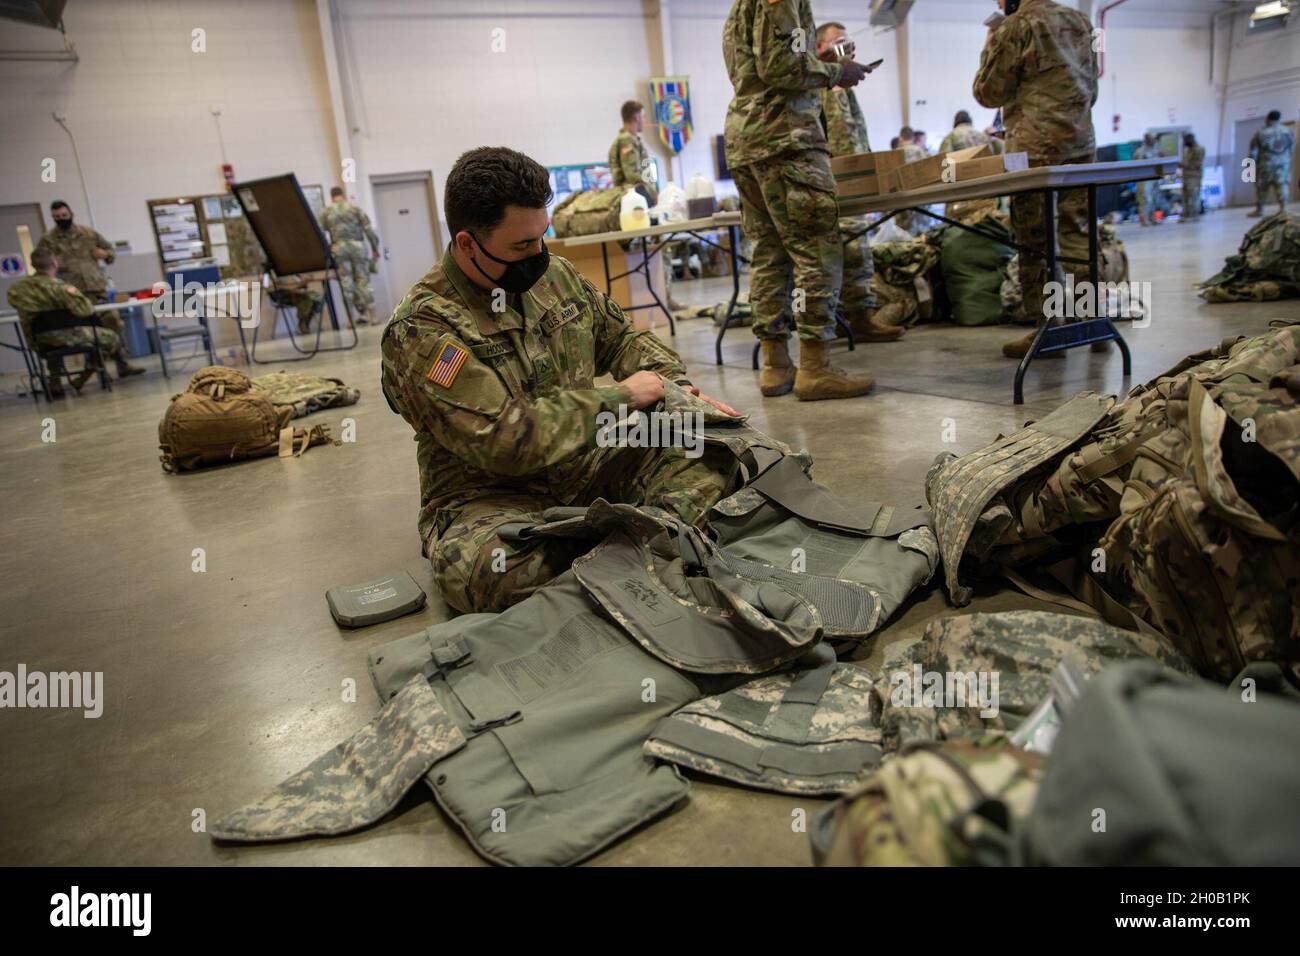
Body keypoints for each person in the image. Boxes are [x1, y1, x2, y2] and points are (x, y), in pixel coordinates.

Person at [380, 146, 740, 614]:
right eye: (521, 246)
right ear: (468, 244)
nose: (539, 254)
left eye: (542, 237)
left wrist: (674, 387)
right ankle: (646, 543)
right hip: (490, 497)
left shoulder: (556, 276)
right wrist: (623, 396)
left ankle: (612, 551)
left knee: (715, 457)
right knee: (497, 574)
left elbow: (621, 340)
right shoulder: (424, 329)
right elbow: (505, 439)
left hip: (588, 465)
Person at [723, 0, 874, 401]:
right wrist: (839, 71)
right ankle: (815, 367)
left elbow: (758, 68)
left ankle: (776, 365)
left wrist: (812, 57)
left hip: (746, 140)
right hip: (787, 138)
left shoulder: (739, 9)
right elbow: (782, 68)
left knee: (770, 253)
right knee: (816, 252)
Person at [974, 0, 1099, 359]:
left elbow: (987, 92)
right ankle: (1094, 321)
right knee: (1080, 232)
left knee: (1036, 240)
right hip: (1080, 143)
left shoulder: (1015, 25)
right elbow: (1093, 88)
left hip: (1033, 149)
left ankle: (1048, 328)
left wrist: (990, 43)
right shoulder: (1081, 21)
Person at [815, 20, 903, 344]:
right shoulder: (821, 90)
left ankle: (857, 316)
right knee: (849, 249)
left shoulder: (843, 90)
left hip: (854, 184)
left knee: (857, 250)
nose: (847, 45)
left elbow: (857, 141)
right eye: (838, 40)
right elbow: (841, 143)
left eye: (849, 39)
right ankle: (854, 319)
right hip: (834, 184)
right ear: (818, 49)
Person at [6, 248, 144, 397]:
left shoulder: (17, 289)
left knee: (52, 340)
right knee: (111, 338)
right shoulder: (62, 288)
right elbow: (86, 310)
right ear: (54, 263)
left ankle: (55, 382)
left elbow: (16, 303)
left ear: (34, 265)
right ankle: (84, 376)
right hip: (71, 335)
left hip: (39, 339)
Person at [33, 201, 118, 329]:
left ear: (71, 214)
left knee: (111, 323)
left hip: (96, 290)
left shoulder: (88, 234)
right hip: (70, 293)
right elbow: (39, 264)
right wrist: (53, 263)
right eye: (57, 217)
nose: (61, 219)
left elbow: (111, 252)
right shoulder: (48, 239)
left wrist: (105, 254)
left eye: (64, 215)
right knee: (82, 330)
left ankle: (116, 349)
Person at [319, 187, 381, 324]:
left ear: (331, 197)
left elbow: (320, 233)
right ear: (343, 195)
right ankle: (373, 316)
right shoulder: (354, 208)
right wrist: (375, 249)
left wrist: (327, 251)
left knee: (346, 283)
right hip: (357, 247)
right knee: (363, 281)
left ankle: (350, 320)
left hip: (339, 248)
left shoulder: (327, 212)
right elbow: (369, 230)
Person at [1248, 110, 1295, 218]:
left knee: (1262, 187)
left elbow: (1253, 151)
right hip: (1283, 164)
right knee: (1282, 185)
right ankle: (1283, 208)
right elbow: (1291, 148)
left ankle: (1260, 210)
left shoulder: (1260, 132)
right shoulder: (1287, 131)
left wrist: (1251, 164)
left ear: (1267, 119)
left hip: (1266, 164)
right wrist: (1285, 159)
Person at [1133, 132, 1162, 226]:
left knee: (1154, 199)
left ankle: (1151, 217)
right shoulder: (1140, 152)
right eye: (1150, 139)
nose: (1152, 141)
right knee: (1145, 199)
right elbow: (1136, 166)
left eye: (1153, 139)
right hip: (1144, 180)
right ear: (1146, 140)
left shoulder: (1156, 151)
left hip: (1154, 178)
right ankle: (1144, 219)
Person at [1181, 132, 1205, 222]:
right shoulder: (1188, 150)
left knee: (1193, 196)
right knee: (1186, 197)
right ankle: (1187, 214)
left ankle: (1195, 214)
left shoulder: (1199, 149)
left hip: (1194, 177)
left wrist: (1184, 165)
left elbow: (1198, 164)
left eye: (1185, 141)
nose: (1184, 143)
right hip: (1186, 177)